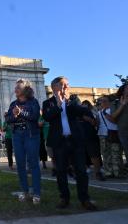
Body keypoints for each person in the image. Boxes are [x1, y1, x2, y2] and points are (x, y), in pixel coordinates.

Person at [42, 76, 97, 211]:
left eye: (68, 85)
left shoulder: (74, 100)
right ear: (55, 87)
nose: (67, 87)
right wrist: (59, 105)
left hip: (75, 140)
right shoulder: (48, 103)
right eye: (63, 85)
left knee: (81, 171)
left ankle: (85, 199)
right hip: (59, 142)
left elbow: (84, 111)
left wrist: (68, 102)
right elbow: (47, 117)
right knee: (60, 171)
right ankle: (64, 198)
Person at [7, 79, 41, 204]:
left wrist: (21, 112)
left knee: (33, 164)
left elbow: (34, 116)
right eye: (15, 88)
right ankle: (25, 191)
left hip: (31, 135)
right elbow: (8, 120)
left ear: (26, 90)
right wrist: (14, 116)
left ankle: (37, 193)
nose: (16, 89)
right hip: (17, 136)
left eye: (18, 88)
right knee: (20, 164)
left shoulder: (33, 102)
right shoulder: (13, 104)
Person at [97, 95, 124, 178]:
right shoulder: (99, 112)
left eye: (105, 101)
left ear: (110, 102)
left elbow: (114, 121)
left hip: (113, 133)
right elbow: (98, 123)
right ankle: (109, 172)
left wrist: (105, 114)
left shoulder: (111, 110)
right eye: (101, 101)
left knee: (116, 154)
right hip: (103, 134)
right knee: (106, 154)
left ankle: (117, 172)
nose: (102, 102)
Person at [80, 100, 105, 181]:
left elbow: (95, 123)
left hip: (90, 135)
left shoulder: (91, 111)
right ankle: (83, 171)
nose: (84, 106)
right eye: (82, 104)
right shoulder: (76, 112)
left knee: (94, 154)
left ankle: (98, 172)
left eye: (85, 104)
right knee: (83, 155)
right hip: (80, 137)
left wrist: (89, 120)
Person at [111, 83, 128, 166]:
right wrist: (122, 105)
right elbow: (113, 116)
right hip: (124, 132)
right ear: (123, 91)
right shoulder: (115, 103)